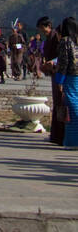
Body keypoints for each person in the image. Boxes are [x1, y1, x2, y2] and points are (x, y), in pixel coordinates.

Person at [53, 17, 78, 150]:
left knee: (71, 107)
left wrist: (59, 81)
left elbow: (63, 62)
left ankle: (72, 141)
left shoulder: (65, 41)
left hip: (70, 76)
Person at [39, 17, 65, 146]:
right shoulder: (50, 38)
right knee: (57, 102)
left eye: (43, 28)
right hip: (54, 72)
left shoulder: (57, 38)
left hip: (59, 72)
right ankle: (55, 134)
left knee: (60, 102)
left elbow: (61, 57)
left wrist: (52, 62)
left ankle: (59, 135)